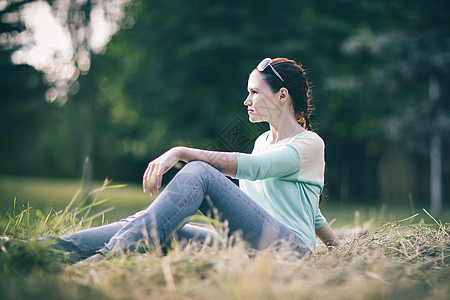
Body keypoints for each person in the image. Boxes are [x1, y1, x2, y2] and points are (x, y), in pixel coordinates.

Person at [41, 57, 341, 263]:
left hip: (289, 253)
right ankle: (43, 252)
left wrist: (182, 152)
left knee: (199, 171)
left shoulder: (310, 144)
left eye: (254, 92)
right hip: (248, 248)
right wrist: (341, 249)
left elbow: (257, 169)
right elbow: (310, 212)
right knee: (151, 223)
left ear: (282, 96)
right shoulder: (263, 141)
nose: (246, 101)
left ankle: (106, 258)